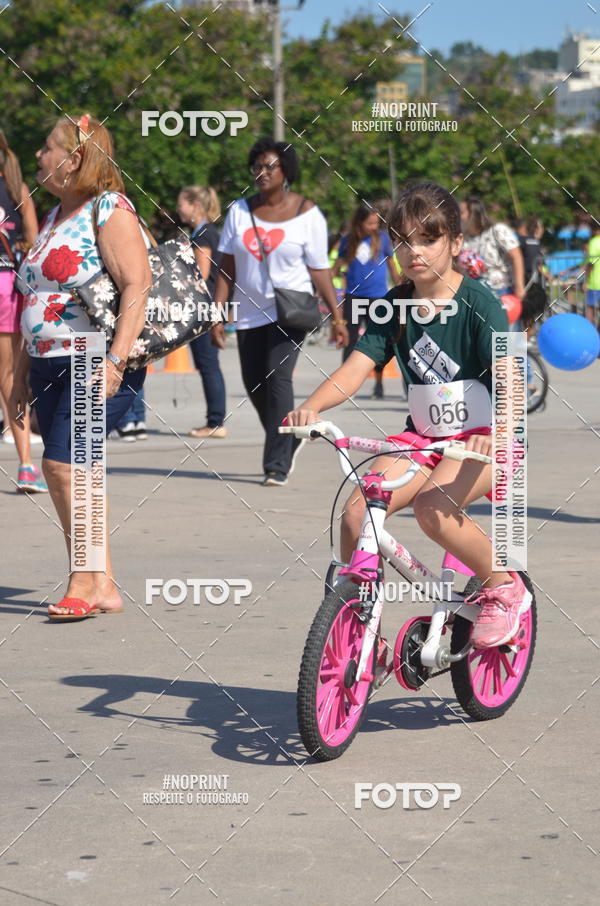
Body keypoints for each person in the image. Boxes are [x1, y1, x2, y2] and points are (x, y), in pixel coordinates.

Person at [287, 181, 531, 649]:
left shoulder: (481, 304)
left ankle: (504, 587)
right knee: (358, 512)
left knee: (433, 508)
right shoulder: (392, 306)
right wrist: (311, 408)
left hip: (486, 437)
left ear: (456, 243)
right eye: (401, 240)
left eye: (427, 239)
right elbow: (355, 369)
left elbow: (510, 377)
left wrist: (497, 432)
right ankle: (363, 631)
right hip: (424, 438)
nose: (412, 250)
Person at [10, 113, 152, 620]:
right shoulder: (52, 218)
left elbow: (137, 284)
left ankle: (83, 581)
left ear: (75, 160)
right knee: (78, 473)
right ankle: (104, 583)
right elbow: (33, 295)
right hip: (48, 363)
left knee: (63, 468)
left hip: (92, 357)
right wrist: (21, 374)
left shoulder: (109, 208)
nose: (38, 157)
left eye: (48, 148)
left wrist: (114, 361)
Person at [211, 137, 348, 486]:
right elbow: (227, 267)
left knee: (277, 376)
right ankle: (286, 437)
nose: (262, 172)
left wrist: (337, 316)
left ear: (286, 171)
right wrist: (217, 312)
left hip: (290, 310)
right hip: (247, 312)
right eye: (257, 166)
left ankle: (276, 464)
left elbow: (319, 269)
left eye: (270, 166)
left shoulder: (308, 214)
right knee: (254, 384)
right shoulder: (239, 211)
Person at [0, 129, 47, 491]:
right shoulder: (19, 191)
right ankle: (27, 465)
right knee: (12, 378)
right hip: (10, 288)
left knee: (10, 378)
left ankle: (28, 464)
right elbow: (35, 246)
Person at [333, 202, 400, 399]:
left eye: (376, 223)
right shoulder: (348, 241)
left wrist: (401, 289)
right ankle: (343, 386)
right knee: (350, 342)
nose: (374, 227)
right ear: (360, 223)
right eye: (370, 223)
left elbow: (392, 268)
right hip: (354, 298)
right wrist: (334, 279)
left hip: (378, 298)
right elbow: (336, 268)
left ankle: (378, 385)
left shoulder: (383, 240)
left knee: (379, 343)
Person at [176, 184, 226, 438]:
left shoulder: (204, 234)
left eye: (181, 203)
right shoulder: (204, 231)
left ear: (194, 205)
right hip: (208, 308)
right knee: (209, 364)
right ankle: (215, 420)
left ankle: (215, 422)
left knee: (208, 365)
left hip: (204, 309)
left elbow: (201, 275)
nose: (178, 208)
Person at [460, 196, 525, 301]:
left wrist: (519, 287)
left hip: (501, 291)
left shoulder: (497, 230)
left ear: (473, 214)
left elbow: (516, 256)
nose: (458, 216)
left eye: (462, 212)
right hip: (476, 294)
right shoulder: (463, 238)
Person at [584, 221, 600, 327]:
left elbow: (591, 263)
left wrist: (585, 281)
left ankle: (589, 335)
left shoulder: (594, 242)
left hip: (595, 282)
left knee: (590, 311)